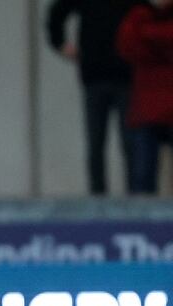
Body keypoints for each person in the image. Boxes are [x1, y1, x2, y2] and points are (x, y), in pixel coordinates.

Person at [46, 0, 142, 195]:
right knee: (96, 143)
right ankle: (98, 197)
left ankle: (134, 197)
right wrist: (60, 43)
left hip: (125, 77)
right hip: (95, 77)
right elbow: (57, 14)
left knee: (130, 142)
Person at [117, 0, 173, 194]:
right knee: (141, 178)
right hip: (146, 109)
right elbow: (127, 45)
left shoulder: (140, 23)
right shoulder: (137, 15)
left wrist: (149, 34)